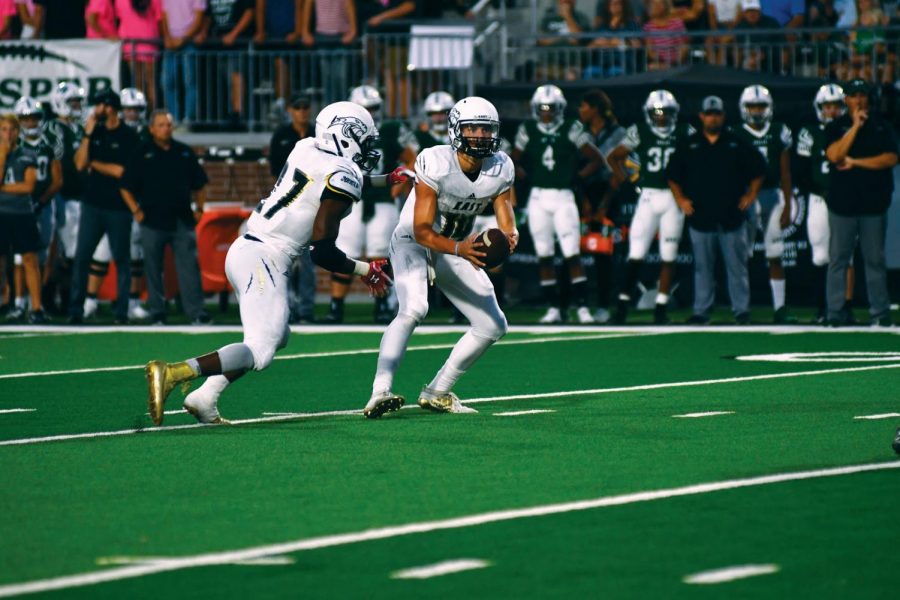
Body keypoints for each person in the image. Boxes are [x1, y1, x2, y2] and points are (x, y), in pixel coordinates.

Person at [145, 101, 408, 425]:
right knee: (262, 349)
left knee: (276, 335)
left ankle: (205, 397)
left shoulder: (306, 147)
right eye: (364, 139)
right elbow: (322, 250)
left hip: (249, 247)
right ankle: (174, 372)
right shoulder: (343, 173)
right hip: (265, 257)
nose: (368, 147)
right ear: (346, 135)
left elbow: (335, 179)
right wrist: (366, 270)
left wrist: (385, 180)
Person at [364, 96, 517, 419]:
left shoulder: (500, 166)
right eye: (472, 128)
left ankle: (438, 390)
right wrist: (461, 249)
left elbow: (504, 208)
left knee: (492, 324)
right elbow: (421, 230)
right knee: (415, 307)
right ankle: (380, 391)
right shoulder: (435, 161)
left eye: (486, 129)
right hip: (413, 241)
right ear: (455, 130)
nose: (479, 135)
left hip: (458, 244)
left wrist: (509, 235)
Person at [666, 95, 766, 324]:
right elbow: (672, 175)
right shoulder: (689, 144)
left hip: (731, 215)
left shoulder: (736, 142)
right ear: (701, 116)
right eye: (709, 114)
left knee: (737, 266)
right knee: (702, 267)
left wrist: (751, 195)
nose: (713, 118)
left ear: (723, 116)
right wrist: (680, 199)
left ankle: (741, 310)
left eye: (717, 114)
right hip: (700, 215)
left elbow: (759, 168)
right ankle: (702, 310)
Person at [511, 84, 604, 324]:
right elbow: (513, 161)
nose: (546, 113)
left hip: (564, 196)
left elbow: (596, 158)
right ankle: (553, 306)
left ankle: (582, 307)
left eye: (551, 108)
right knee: (544, 254)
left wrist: (576, 178)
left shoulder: (571, 127)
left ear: (559, 108)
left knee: (572, 253)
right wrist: (526, 177)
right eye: (542, 108)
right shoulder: (528, 129)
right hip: (539, 197)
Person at [327, 85, 418, 324]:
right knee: (345, 254)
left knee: (381, 256)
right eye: (366, 108)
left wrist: (396, 187)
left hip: (381, 202)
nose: (370, 112)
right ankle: (336, 308)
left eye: (374, 108)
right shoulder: (341, 132)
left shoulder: (390, 130)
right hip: (352, 203)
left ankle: (381, 306)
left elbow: (413, 159)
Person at [609, 89, 691, 325]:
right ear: (649, 114)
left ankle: (661, 307)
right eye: (657, 112)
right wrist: (628, 179)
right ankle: (623, 306)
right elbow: (614, 156)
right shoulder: (640, 131)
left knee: (669, 257)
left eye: (666, 112)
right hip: (649, 196)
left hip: (673, 200)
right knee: (635, 254)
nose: (662, 117)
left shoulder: (684, 132)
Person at [121, 110, 210, 325]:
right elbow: (125, 186)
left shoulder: (184, 152)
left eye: (168, 125)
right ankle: (157, 312)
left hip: (181, 219)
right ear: (151, 128)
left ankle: (196, 312)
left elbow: (200, 183)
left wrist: (199, 208)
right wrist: (136, 210)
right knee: (152, 269)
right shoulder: (142, 152)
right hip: (152, 220)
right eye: (160, 125)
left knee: (189, 267)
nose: (165, 129)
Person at [824, 78, 898, 327]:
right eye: (854, 95)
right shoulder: (836, 127)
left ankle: (879, 312)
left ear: (868, 98)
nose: (858, 100)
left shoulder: (881, 127)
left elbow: (890, 158)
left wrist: (856, 163)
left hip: (873, 205)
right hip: (842, 205)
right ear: (846, 100)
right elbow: (835, 155)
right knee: (838, 260)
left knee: (874, 259)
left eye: (862, 95)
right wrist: (854, 127)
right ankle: (835, 313)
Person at [68, 89, 141, 324]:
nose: (97, 109)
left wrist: (95, 163)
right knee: (82, 258)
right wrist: (88, 132)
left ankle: (121, 312)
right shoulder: (95, 132)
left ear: (110, 107)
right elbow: (80, 163)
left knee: (121, 260)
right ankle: (75, 310)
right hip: (92, 204)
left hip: (118, 207)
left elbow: (122, 171)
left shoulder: (128, 136)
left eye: (100, 105)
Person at [731, 84, 796, 323]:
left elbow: (785, 172)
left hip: (770, 194)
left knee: (775, 252)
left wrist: (788, 204)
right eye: (752, 106)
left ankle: (780, 307)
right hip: (745, 196)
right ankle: (742, 308)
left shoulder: (779, 131)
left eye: (761, 106)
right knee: (741, 255)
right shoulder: (736, 132)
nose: (757, 111)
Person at [794, 83, 853, 323]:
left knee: (846, 256)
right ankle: (823, 306)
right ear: (819, 107)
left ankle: (845, 306)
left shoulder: (851, 130)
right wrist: (819, 190)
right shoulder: (810, 132)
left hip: (846, 199)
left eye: (836, 106)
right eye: (827, 106)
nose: (832, 111)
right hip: (819, 198)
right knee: (820, 256)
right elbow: (802, 170)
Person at [7, 97, 61, 322]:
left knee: (41, 256)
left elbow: (57, 180)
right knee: (20, 258)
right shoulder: (12, 145)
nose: (30, 123)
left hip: (42, 204)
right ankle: (19, 302)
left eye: (34, 118)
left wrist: (41, 201)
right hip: (18, 207)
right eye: (25, 118)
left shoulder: (50, 143)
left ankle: (39, 302)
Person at [578, 88, 629, 323]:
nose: (580, 111)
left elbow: (620, 172)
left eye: (584, 106)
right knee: (577, 251)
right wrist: (585, 200)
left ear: (595, 108)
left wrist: (604, 204)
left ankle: (605, 304)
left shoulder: (618, 132)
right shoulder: (579, 132)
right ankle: (580, 304)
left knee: (605, 252)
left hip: (609, 197)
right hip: (583, 196)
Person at [268, 93, 316, 323]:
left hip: (310, 205)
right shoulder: (282, 136)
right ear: (290, 110)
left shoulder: (317, 134)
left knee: (307, 261)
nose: (303, 111)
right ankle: (285, 308)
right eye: (298, 107)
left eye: (306, 107)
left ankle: (306, 309)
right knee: (282, 260)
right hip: (287, 205)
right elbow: (275, 172)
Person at [43, 83, 87, 314]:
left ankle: (67, 299)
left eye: (78, 102)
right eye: (73, 102)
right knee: (57, 251)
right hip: (60, 196)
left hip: (77, 197)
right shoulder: (53, 128)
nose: (77, 106)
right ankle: (50, 299)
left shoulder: (78, 128)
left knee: (72, 251)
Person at [0, 115, 41, 323]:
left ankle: (36, 308)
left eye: (12, 130)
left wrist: (3, 189)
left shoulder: (27, 154)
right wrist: (2, 155)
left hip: (22, 213)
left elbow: (28, 186)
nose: (8, 134)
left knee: (29, 259)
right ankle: (7, 301)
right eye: (4, 129)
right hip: (1, 213)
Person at [162, 0, 207, 131]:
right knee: (167, 82)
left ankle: (188, 120)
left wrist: (184, 38)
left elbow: (199, 17)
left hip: (189, 43)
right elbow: (164, 14)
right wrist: (167, 37)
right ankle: (173, 120)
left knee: (190, 82)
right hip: (170, 44)